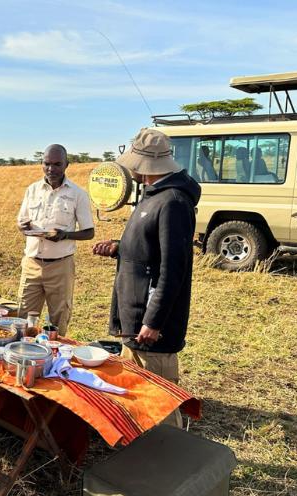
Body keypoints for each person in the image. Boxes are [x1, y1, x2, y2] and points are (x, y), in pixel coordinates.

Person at [93, 128, 201, 428]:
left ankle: (169, 463)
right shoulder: (153, 195)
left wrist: (153, 322)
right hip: (136, 318)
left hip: (151, 327)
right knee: (139, 396)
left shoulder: (173, 202)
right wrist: (119, 248)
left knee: (160, 402)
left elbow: (173, 268)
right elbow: (150, 249)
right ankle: (146, 458)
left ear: (144, 164)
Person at [16, 144, 95, 336]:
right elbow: (21, 221)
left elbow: (89, 232)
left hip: (60, 266)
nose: (51, 169)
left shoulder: (78, 194)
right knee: (24, 318)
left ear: (66, 164)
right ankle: (25, 359)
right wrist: (23, 227)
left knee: (58, 322)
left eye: (57, 164)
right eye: (47, 164)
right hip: (32, 264)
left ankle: (55, 362)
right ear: (42, 164)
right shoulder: (32, 190)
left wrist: (64, 235)